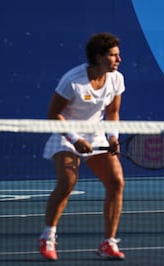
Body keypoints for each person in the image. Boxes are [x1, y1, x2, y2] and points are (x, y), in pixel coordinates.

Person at [39, 32, 126, 261]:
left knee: (116, 182)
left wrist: (112, 136)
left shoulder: (117, 79)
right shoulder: (73, 80)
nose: (119, 60)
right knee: (67, 182)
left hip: (95, 133)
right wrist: (75, 138)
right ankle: (47, 236)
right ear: (99, 57)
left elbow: (113, 112)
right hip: (66, 132)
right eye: (113, 55)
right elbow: (53, 114)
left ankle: (108, 243)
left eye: (118, 55)